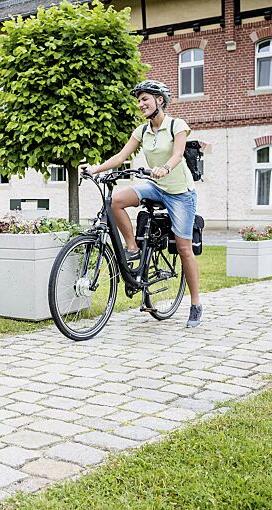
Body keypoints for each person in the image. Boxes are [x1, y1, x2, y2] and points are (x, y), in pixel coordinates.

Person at [85, 80, 202, 328]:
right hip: (156, 186)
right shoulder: (142, 131)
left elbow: (178, 154)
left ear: (160, 100)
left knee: (184, 248)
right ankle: (133, 248)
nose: (141, 104)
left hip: (180, 193)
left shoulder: (176, 125)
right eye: (139, 101)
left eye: (145, 99)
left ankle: (195, 303)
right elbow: (120, 156)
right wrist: (94, 168)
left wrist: (166, 168)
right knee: (116, 200)